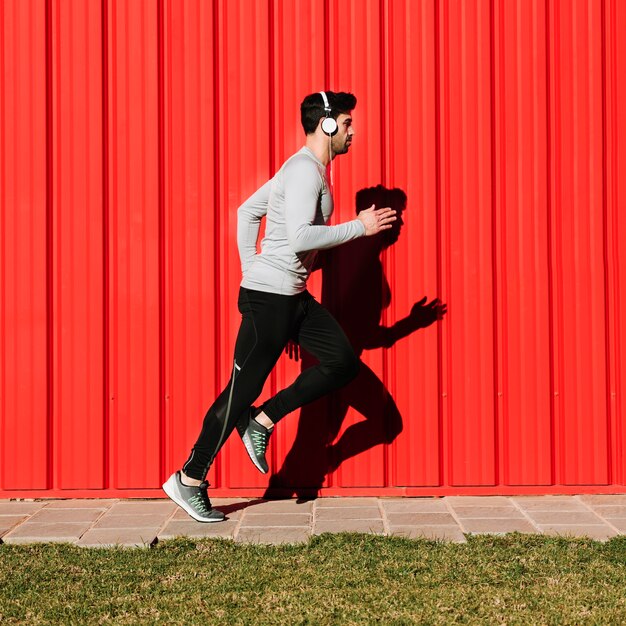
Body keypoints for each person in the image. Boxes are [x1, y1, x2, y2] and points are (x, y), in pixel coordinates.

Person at [162, 91, 397, 522]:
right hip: (270, 298)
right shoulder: (305, 172)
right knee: (240, 392)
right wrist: (359, 227)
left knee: (341, 362)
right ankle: (189, 478)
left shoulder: (301, 169)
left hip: (289, 296)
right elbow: (300, 237)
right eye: (346, 123)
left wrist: (254, 267)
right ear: (326, 125)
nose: (353, 131)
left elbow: (246, 212)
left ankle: (262, 421)